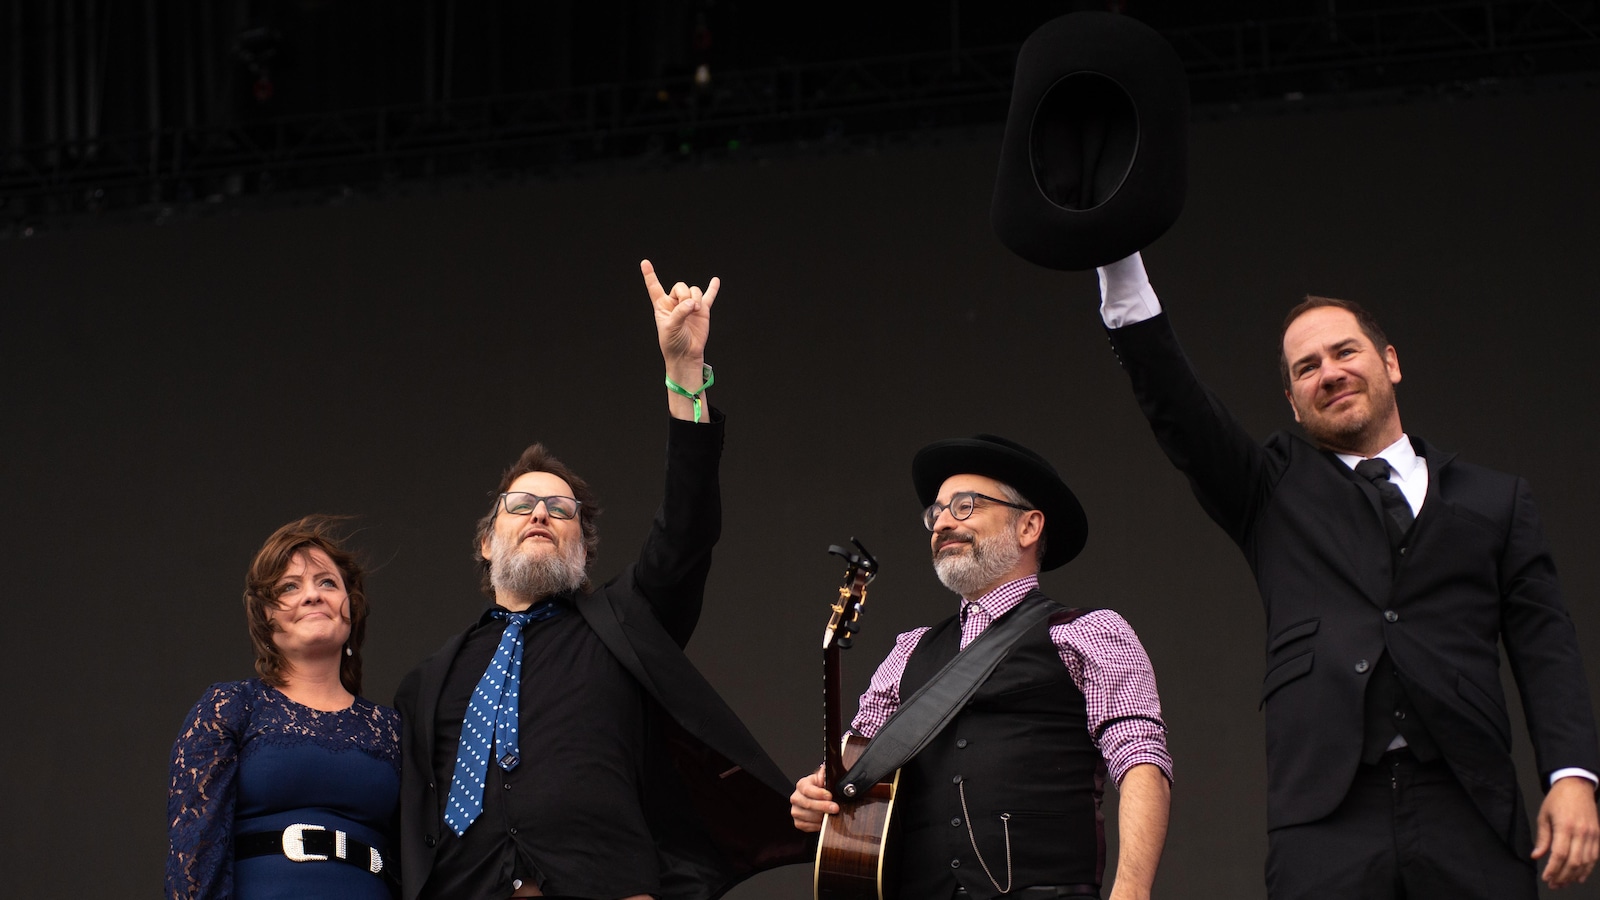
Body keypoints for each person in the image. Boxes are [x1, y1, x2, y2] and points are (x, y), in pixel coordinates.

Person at [1093, 250, 1600, 897]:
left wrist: (1573, 777)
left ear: (1390, 362)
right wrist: (1116, 259)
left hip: (1469, 803)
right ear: (1293, 402)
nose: (1329, 373)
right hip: (1323, 818)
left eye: (1345, 352)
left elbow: (1545, 647)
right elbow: (1176, 402)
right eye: (1307, 368)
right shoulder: (1271, 490)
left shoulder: (1496, 500)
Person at [392, 261, 807, 900]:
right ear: (485, 541)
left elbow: (686, 532)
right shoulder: (427, 683)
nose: (540, 514)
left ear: (582, 545)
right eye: (522, 505)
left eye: (562, 512)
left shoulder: (624, 624)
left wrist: (684, 376)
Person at [791, 434, 1173, 900]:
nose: (943, 523)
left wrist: (1131, 892)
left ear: (1029, 527)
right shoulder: (909, 650)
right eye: (937, 512)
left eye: (966, 505)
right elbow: (860, 765)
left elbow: (1141, 762)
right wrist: (819, 794)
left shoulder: (1090, 633)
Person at [167, 515, 401, 900]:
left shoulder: (392, 729)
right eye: (290, 587)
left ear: (351, 607)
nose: (312, 595)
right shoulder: (232, 707)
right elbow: (194, 857)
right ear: (266, 617)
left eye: (327, 582)